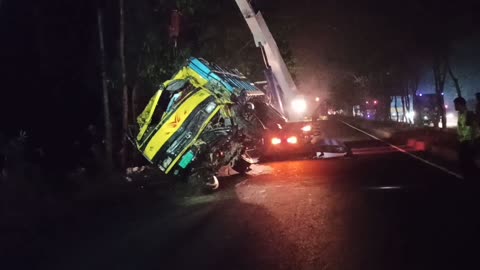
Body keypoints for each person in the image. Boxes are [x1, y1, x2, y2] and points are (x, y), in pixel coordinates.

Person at [454, 97, 480, 180]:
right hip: (464, 142)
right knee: (464, 163)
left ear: (460, 104)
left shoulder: (468, 114)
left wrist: (472, 142)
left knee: (469, 163)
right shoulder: (461, 115)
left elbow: (474, 128)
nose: (455, 106)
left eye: (456, 104)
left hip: (469, 142)